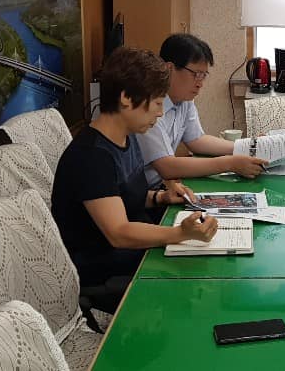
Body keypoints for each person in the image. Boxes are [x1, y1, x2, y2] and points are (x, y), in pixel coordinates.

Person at [51, 47, 218, 311]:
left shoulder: (126, 138)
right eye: (157, 103)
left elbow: (125, 196)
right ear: (126, 98)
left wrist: (161, 197)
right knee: (199, 282)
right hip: (104, 268)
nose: (160, 113)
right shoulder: (92, 156)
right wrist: (179, 234)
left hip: (132, 250)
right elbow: (119, 233)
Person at [136, 33, 266, 184]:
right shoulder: (150, 107)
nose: (200, 83)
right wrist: (230, 163)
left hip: (165, 186)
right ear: (169, 68)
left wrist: (248, 146)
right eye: (196, 74)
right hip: (147, 192)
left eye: (203, 75)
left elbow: (196, 140)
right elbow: (167, 166)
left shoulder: (184, 100)